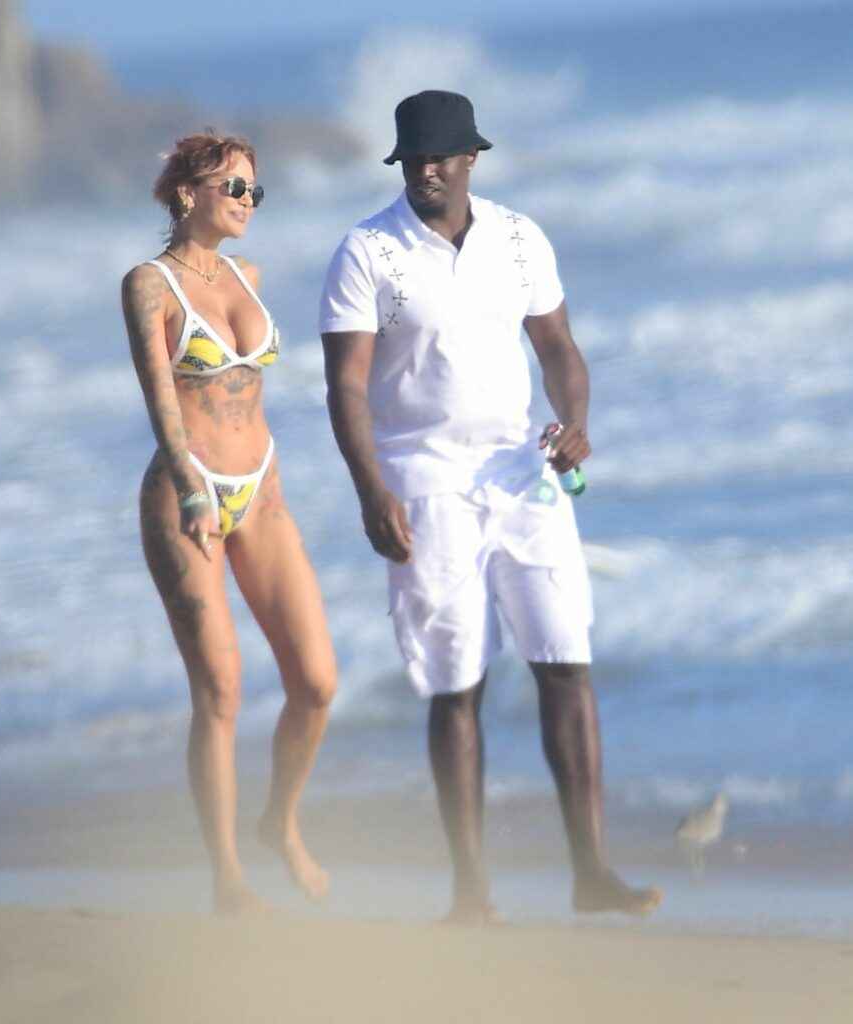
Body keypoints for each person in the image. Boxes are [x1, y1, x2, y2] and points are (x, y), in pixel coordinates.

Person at [319, 91, 661, 924]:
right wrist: (371, 489)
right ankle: (471, 892)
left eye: (441, 156)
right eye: (413, 158)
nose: (427, 170)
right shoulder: (367, 252)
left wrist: (575, 424)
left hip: (521, 472)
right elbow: (347, 387)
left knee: (566, 660)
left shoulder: (517, 238)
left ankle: (591, 873)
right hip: (423, 480)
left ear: (472, 158)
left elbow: (559, 348)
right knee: (456, 682)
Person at [122, 131, 336, 914]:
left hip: (263, 489)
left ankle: (280, 821)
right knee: (220, 690)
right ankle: (229, 879)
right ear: (188, 193)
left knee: (317, 681)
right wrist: (189, 488)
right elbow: (160, 401)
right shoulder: (149, 285)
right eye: (234, 187)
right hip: (188, 493)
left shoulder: (250, 276)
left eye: (255, 190)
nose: (248, 201)